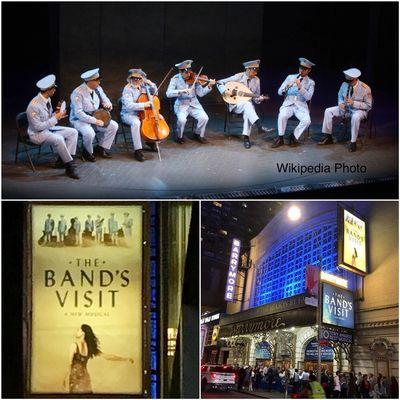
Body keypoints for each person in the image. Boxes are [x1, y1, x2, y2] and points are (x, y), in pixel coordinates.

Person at [26, 74, 79, 179]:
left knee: (73, 132)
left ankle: (62, 160)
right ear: (48, 90)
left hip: (47, 130)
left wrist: (57, 115)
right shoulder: (33, 106)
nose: (55, 89)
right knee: (59, 139)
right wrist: (55, 118)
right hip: (37, 134)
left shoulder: (47, 99)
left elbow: (48, 117)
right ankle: (69, 165)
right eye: (53, 88)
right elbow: (37, 127)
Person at [63, 324, 133, 393]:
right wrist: (125, 359)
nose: (76, 331)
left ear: (83, 333)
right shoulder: (90, 347)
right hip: (85, 377)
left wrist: (65, 378)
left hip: (75, 377)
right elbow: (108, 356)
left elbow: (69, 364)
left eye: (78, 330)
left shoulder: (74, 345)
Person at [217, 59, 269, 149]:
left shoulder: (257, 80)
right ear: (248, 69)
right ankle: (259, 125)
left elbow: (255, 98)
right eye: (254, 70)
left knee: (248, 109)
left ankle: (246, 138)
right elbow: (219, 82)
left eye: (257, 70)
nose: (256, 73)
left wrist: (259, 99)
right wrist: (225, 91)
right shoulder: (238, 77)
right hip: (235, 104)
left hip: (247, 106)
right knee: (248, 106)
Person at [318, 68, 372, 152]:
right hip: (346, 108)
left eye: (350, 81)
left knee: (355, 117)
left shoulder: (365, 88)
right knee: (328, 111)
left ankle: (353, 142)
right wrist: (340, 103)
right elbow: (340, 95)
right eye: (347, 81)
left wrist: (354, 103)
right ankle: (328, 137)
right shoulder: (344, 84)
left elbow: (369, 106)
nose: (348, 83)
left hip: (359, 111)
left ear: (355, 79)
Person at [70, 68, 118, 161]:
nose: (99, 83)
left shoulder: (98, 89)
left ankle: (101, 147)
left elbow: (106, 99)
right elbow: (78, 113)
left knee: (113, 126)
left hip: (96, 118)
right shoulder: (77, 92)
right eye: (97, 80)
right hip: (79, 121)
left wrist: (108, 104)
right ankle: (87, 152)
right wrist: (95, 121)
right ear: (89, 81)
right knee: (89, 133)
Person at [166, 59, 215, 144]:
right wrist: (181, 91)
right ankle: (179, 136)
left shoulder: (194, 78)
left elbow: (200, 93)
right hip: (181, 105)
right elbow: (168, 93)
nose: (189, 74)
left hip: (194, 104)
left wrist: (209, 86)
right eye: (186, 73)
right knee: (182, 120)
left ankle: (198, 134)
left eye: (189, 71)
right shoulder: (175, 79)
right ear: (180, 72)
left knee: (204, 118)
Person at [272, 57, 315, 148]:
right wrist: (286, 88)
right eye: (300, 68)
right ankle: (280, 138)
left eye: (304, 69)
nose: (301, 71)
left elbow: (308, 97)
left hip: (301, 105)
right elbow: (279, 92)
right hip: (289, 103)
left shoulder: (311, 82)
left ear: (309, 70)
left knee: (307, 121)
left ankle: (294, 136)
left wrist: (300, 86)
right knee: (282, 115)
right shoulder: (290, 77)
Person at [120, 68, 159, 161]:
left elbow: (156, 93)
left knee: (159, 118)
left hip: (143, 113)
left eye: (138, 79)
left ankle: (150, 141)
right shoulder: (127, 89)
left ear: (142, 79)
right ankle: (138, 150)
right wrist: (144, 104)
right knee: (136, 123)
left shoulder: (144, 86)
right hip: (129, 114)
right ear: (130, 78)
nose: (136, 80)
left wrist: (151, 84)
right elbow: (129, 105)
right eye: (134, 78)